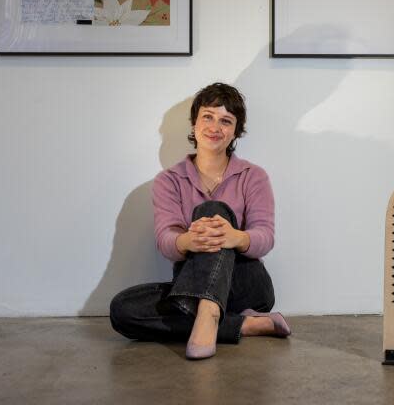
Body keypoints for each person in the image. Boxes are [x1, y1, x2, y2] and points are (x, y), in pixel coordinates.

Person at [110, 82, 290, 360]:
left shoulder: (254, 176)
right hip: (191, 284)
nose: (215, 126)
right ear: (194, 122)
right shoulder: (168, 181)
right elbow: (165, 240)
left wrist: (236, 237)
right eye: (208, 116)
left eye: (225, 121)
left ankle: (209, 314)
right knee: (122, 309)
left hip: (247, 285)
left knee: (213, 209)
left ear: (235, 131)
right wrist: (187, 240)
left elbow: (265, 237)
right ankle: (243, 323)